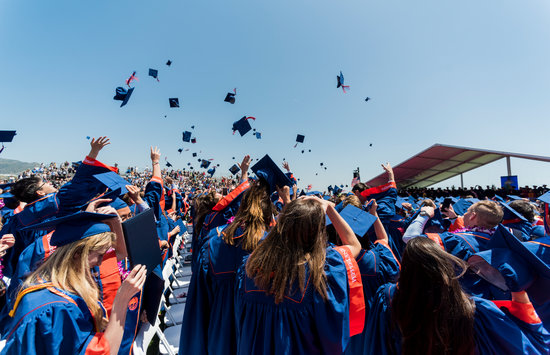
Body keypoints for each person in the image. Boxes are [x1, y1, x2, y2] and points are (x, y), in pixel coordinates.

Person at [365, 237, 550, 354]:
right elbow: (522, 341)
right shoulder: (476, 307)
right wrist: (518, 288)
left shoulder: (388, 296)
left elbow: (376, 342)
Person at [1, 212, 147, 354]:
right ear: (77, 253)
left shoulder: (56, 281)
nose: (101, 262)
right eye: (100, 255)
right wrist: (121, 300)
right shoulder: (55, 307)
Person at [235, 196, 364, 354]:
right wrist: (330, 209)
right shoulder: (321, 270)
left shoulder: (250, 265)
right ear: (317, 232)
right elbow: (354, 245)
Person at [179, 176, 278, 355]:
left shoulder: (214, 242)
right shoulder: (277, 248)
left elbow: (198, 309)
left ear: (240, 208)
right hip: (259, 340)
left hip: (221, 337)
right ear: (268, 212)